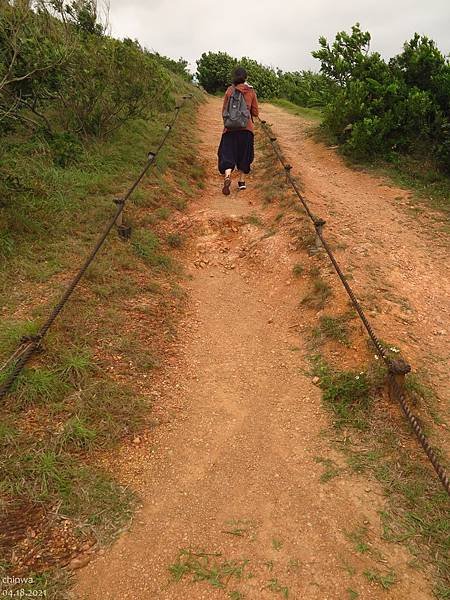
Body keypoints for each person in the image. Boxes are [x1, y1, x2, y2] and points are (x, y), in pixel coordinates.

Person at [218, 67, 259, 195]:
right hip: (246, 130)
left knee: (227, 154)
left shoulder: (229, 91)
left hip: (229, 129)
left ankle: (227, 176)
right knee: (244, 156)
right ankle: (241, 182)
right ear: (245, 77)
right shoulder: (251, 91)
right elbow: (255, 113)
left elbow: (224, 111)